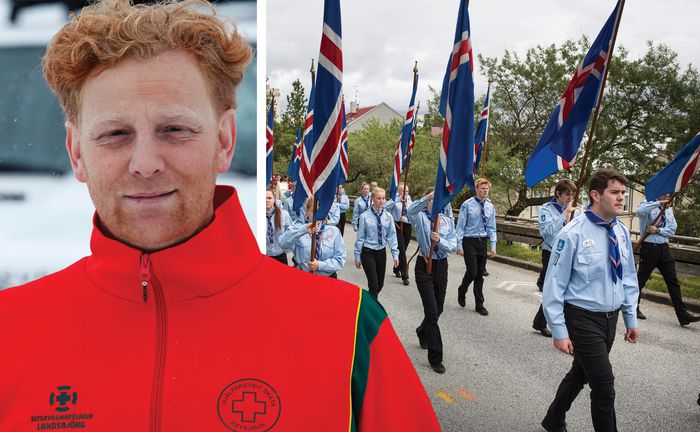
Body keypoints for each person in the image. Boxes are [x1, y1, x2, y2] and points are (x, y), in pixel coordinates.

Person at [0, 1, 442, 430]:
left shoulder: (350, 332)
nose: (145, 162)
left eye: (175, 129)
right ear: (77, 152)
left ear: (225, 140)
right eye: (115, 134)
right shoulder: (9, 332)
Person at [541, 168, 639, 432]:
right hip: (582, 318)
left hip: (611, 318)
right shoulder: (571, 233)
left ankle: (553, 418)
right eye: (615, 192)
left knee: (580, 373)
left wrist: (630, 318)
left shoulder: (620, 232)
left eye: (623, 193)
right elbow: (554, 286)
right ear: (595, 195)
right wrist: (559, 331)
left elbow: (628, 278)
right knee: (604, 387)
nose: (622, 198)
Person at [408, 188, 457, 374]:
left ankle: (422, 331)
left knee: (439, 308)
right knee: (431, 312)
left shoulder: (446, 221)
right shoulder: (420, 217)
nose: (437, 203)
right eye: (433, 200)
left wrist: (440, 241)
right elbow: (410, 211)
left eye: (440, 200)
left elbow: (453, 244)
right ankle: (436, 358)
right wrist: (426, 197)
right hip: (424, 265)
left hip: (441, 265)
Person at [635, 195, 700, 326]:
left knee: (673, 282)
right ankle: (633, 308)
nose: (668, 196)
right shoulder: (648, 204)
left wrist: (658, 230)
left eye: (668, 194)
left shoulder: (668, 209)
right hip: (649, 248)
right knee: (641, 280)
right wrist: (658, 203)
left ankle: (683, 315)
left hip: (664, 249)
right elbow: (640, 211)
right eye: (665, 193)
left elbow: (672, 230)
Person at [532, 179, 577, 338]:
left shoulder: (575, 209)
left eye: (572, 195)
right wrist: (564, 215)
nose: (569, 198)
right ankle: (542, 323)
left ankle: (541, 322)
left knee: (565, 291)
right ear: (558, 194)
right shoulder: (547, 209)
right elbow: (548, 232)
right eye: (567, 194)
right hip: (551, 252)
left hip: (568, 253)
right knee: (554, 290)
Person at [456, 178, 497, 315]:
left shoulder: (490, 206)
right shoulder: (467, 205)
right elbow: (460, 226)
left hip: (482, 241)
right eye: (482, 188)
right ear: (476, 189)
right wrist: (459, 245)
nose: (485, 191)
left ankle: (479, 304)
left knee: (480, 275)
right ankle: (462, 289)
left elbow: (492, 227)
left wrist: (493, 245)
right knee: (472, 271)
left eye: (487, 189)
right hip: (469, 240)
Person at [279, 196, 346, 278]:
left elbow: (340, 260)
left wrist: (319, 265)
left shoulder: (334, 231)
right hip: (304, 277)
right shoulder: (298, 228)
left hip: (328, 279)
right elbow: (282, 244)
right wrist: (303, 229)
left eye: (320, 211)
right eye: (313, 211)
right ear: (307, 211)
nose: (317, 215)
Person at [355, 187, 399, 300]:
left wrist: (395, 255)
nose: (382, 201)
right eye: (379, 198)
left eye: (383, 198)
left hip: (381, 253)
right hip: (368, 252)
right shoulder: (364, 216)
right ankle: (372, 312)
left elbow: (392, 236)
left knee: (380, 285)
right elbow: (360, 238)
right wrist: (357, 256)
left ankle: (368, 303)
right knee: (374, 285)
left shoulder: (388, 217)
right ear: (373, 199)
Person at [385, 183, 413, 285]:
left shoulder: (410, 201)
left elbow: (413, 215)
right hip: (397, 226)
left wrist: (405, 219)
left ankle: (396, 268)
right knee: (401, 249)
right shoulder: (395, 200)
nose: (404, 193)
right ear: (399, 192)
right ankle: (405, 276)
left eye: (406, 191)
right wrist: (397, 200)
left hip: (407, 225)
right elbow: (385, 207)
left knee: (403, 249)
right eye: (402, 191)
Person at [266, 187, 292, 264]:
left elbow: (290, 233)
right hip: (264, 257)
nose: (266, 200)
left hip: (280, 256)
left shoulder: (284, 215)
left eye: (269, 198)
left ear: (274, 199)